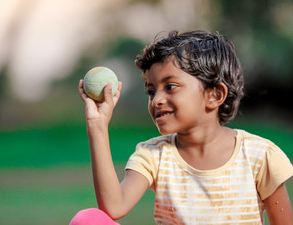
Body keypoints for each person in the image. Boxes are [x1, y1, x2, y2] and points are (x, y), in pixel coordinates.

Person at [71, 30, 293, 224]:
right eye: (151, 90)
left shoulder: (259, 156)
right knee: (87, 220)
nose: (156, 99)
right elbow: (114, 207)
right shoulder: (154, 155)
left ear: (215, 95)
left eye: (170, 86)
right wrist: (97, 125)